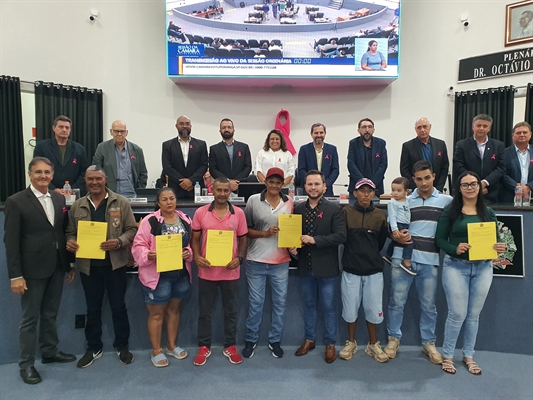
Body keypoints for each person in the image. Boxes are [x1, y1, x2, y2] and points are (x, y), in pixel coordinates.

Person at [4, 157, 76, 384]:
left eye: (47, 172)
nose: (43, 176)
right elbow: (11, 242)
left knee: (50, 314)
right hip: (31, 270)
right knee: (29, 319)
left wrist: (69, 264)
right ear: (30, 174)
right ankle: (26, 365)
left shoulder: (58, 197)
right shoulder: (16, 201)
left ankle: (50, 351)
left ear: (52, 175)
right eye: (38, 172)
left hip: (56, 266)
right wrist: (16, 275)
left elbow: (62, 232)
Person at [66, 165, 138, 368]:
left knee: (118, 307)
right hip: (89, 267)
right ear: (86, 180)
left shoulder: (120, 202)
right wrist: (70, 241)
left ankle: (122, 346)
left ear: (105, 179)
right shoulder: (77, 205)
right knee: (93, 308)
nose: (94, 182)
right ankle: (94, 347)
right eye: (90, 179)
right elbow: (70, 232)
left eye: (98, 178)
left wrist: (119, 242)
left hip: (115, 265)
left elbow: (132, 229)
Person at [435, 171, 506, 375]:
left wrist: (498, 248)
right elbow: (439, 240)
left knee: (473, 315)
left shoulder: (488, 212)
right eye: (465, 185)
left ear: (479, 187)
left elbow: (496, 240)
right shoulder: (450, 212)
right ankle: (448, 356)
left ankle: (468, 356)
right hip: (456, 266)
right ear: (459, 188)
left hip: (483, 267)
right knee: (457, 314)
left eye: (473, 184)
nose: (469, 188)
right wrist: (454, 249)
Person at [384, 161, 452, 364]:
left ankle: (428, 343)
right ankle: (393, 339)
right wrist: (394, 237)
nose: (424, 182)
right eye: (419, 179)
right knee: (396, 302)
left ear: (433, 176)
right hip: (401, 258)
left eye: (427, 177)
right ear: (413, 180)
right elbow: (390, 226)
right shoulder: (403, 198)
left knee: (429, 305)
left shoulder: (446, 201)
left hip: (429, 260)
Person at [131, 188, 193, 367]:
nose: (169, 202)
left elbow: (191, 245)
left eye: (172, 198)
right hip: (157, 276)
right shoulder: (150, 221)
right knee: (156, 314)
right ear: (158, 203)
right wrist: (148, 254)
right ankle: (156, 350)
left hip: (180, 274)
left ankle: (171, 345)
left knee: (174, 310)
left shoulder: (185, 219)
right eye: (164, 199)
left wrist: (187, 253)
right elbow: (138, 245)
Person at [190, 177, 248, 366]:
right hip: (207, 272)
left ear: (230, 191)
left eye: (226, 190)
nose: (222, 194)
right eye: (219, 190)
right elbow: (195, 239)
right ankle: (204, 346)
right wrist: (197, 257)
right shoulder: (200, 212)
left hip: (230, 272)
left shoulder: (238, 213)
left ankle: (230, 345)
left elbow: (244, 239)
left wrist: (239, 259)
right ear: (211, 191)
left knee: (231, 311)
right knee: (205, 311)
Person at [290, 170, 346, 363]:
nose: (313, 187)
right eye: (309, 184)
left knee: (329, 306)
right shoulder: (298, 209)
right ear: (304, 187)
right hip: (305, 267)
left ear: (324, 186)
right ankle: (309, 339)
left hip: (327, 267)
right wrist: (292, 246)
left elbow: (341, 236)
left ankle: (330, 343)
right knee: (309, 305)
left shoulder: (335, 209)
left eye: (316, 184)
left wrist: (314, 240)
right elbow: (294, 235)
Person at [242, 168, 294, 359]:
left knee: (279, 303)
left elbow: (292, 229)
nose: (274, 185)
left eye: (278, 182)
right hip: (256, 260)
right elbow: (245, 229)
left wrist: (293, 243)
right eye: (271, 181)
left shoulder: (289, 202)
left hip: (280, 262)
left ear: (283, 184)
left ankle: (275, 340)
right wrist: (265, 233)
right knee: (256, 304)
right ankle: (251, 339)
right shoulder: (254, 200)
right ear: (266, 182)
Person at [340, 178, 389, 363]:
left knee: (373, 308)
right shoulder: (346, 212)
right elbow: (343, 238)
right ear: (355, 193)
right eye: (362, 190)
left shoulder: (380, 215)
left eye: (370, 191)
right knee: (350, 308)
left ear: (374, 194)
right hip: (351, 269)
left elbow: (380, 242)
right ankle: (351, 342)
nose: (366, 194)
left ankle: (372, 344)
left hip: (373, 271)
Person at [452, 114, 506, 204]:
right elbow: (458, 165)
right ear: (473, 127)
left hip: (490, 192)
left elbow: (501, 168)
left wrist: (484, 183)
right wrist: (475, 184)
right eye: (478, 125)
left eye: (485, 126)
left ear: (489, 128)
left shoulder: (498, 145)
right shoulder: (462, 145)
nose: (481, 128)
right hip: (467, 191)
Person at [33, 115, 89, 195]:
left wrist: (73, 189)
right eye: (61, 127)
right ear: (54, 128)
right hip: (47, 192)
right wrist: (53, 189)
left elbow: (84, 172)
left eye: (67, 128)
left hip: (72, 194)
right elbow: (37, 170)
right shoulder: (42, 147)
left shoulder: (79, 149)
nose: (64, 130)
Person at [92, 120, 148, 198]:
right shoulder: (102, 148)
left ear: (126, 133)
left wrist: (140, 190)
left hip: (131, 194)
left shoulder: (136, 150)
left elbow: (143, 173)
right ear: (111, 132)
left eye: (122, 131)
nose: (119, 134)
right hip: (109, 194)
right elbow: (95, 171)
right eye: (116, 131)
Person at [162, 115, 208, 199]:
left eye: (187, 124)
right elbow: (167, 167)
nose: (184, 126)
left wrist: (191, 181)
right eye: (181, 124)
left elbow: (204, 165)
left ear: (190, 126)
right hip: (175, 189)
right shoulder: (167, 145)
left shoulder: (201, 144)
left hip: (196, 188)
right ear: (176, 126)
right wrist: (183, 182)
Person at [400, 117, 450, 192]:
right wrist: (417, 185)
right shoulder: (408, 146)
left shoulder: (440, 144)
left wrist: (439, 187)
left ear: (430, 127)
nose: (422, 130)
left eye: (425, 126)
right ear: (415, 129)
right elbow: (404, 169)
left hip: (437, 189)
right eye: (419, 127)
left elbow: (444, 167)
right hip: (416, 190)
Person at [347, 118, 388, 199]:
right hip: (356, 187)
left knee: (374, 211)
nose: (367, 130)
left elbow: (383, 165)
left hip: (375, 187)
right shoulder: (353, 143)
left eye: (370, 127)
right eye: (364, 127)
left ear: (373, 130)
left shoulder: (381, 143)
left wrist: (372, 183)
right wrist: (363, 182)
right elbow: (351, 164)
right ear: (359, 130)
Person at [209, 118, 252, 193]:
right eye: (223, 127)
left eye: (229, 127)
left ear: (234, 130)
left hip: (240, 186)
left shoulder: (244, 147)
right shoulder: (214, 149)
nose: (226, 129)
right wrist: (228, 181)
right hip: (222, 188)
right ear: (220, 131)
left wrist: (235, 182)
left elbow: (248, 167)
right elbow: (213, 169)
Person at [297, 123, 339, 197]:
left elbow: (335, 170)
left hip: (327, 190)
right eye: (316, 133)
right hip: (309, 191)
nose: (319, 135)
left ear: (325, 133)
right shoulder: (304, 149)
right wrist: (311, 184)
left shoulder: (332, 149)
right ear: (311, 134)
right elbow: (301, 170)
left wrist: (324, 185)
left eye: (321, 132)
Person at [384, 177, 415, 275]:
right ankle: (406, 262)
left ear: (406, 192)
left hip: (404, 224)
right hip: (397, 224)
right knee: (408, 242)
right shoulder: (393, 202)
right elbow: (392, 217)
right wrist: (395, 230)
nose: (395, 193)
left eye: (398, 190)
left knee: (394, 242)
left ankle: (389, 255)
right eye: (393, 190)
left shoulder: (406, 200)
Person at [501, 122, 532, 203]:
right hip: (510, 196)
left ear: (530, 134)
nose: (522, 135)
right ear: (513, 136)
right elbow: (502, 173)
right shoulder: (504, 153)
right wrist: (517, 187)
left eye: (525, 132)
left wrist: (529, 187)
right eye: (518, 133)